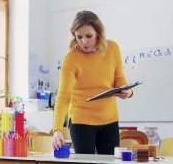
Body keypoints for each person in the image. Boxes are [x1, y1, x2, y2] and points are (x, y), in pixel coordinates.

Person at [52, 10, 133, 155]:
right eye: (79, 37)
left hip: (109, 119)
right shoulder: (71, 58)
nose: (84, 41)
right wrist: (57, 129)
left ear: (98, 33)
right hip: (81, 120)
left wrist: (128, 91)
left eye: (89, 36)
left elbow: (119, 77)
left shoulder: (113, 49)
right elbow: (64, 96)